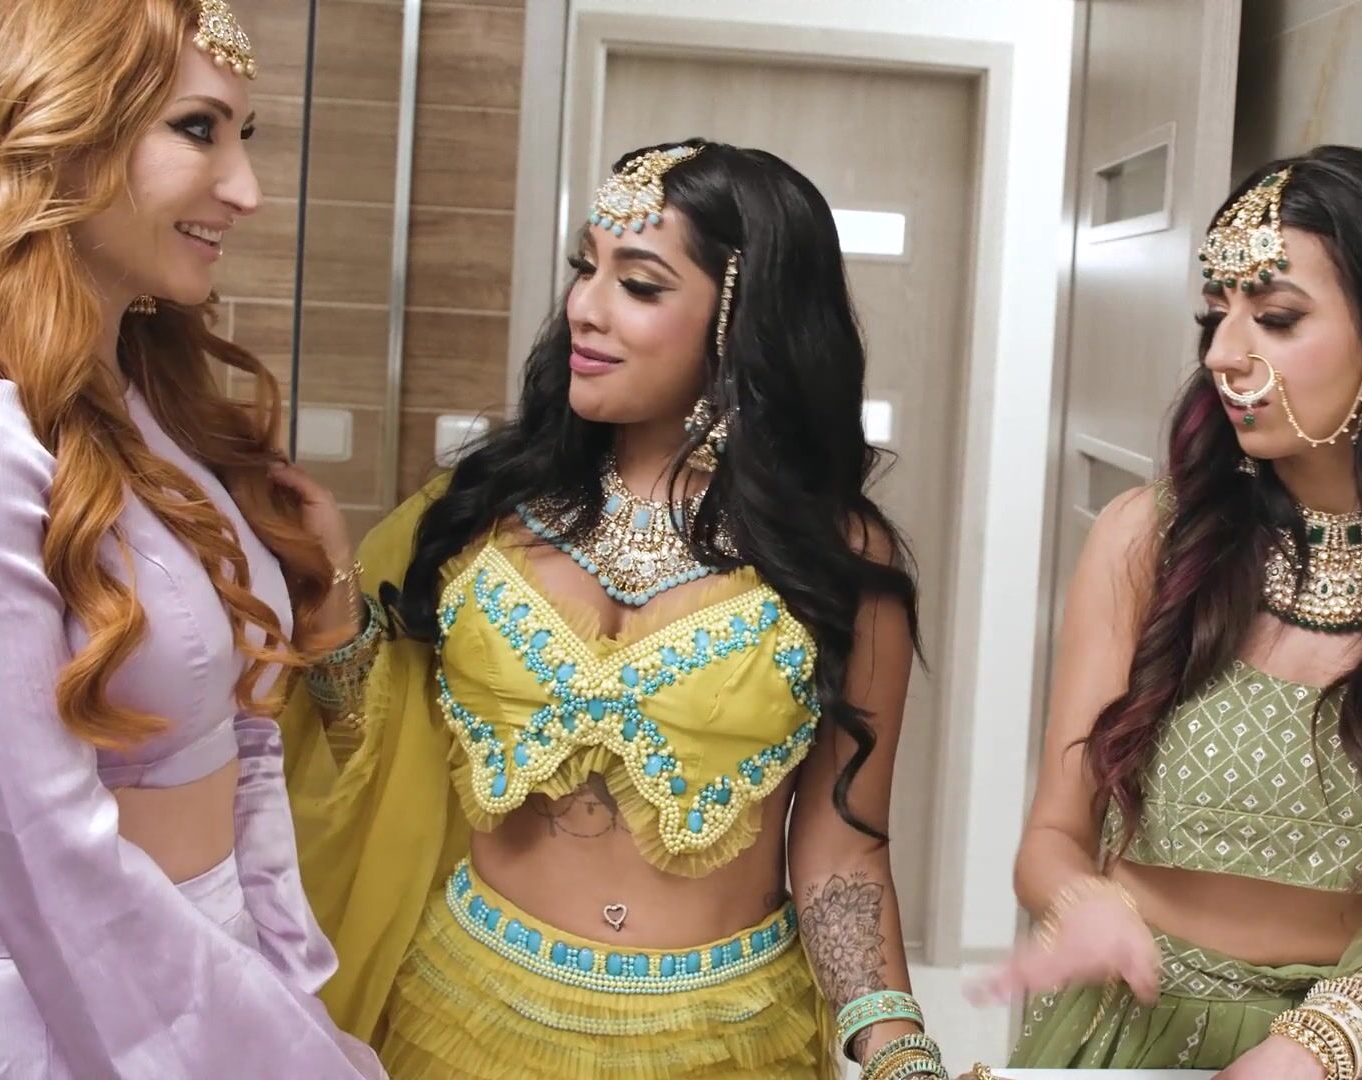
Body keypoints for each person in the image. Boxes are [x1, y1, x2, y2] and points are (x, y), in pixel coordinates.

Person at [279, 139, 949, 1079]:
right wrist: (324, 598)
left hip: (728, 1042)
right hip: (463, 1017)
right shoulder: (486, 509)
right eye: (584, 268)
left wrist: (896, 1050)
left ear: (741, 321)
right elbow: (376, 753)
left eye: (637, 284)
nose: (584, 308)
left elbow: (843, 855)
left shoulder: (835, 559)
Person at [976, 146, 1362, 1078]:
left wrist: (1333, 1037)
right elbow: (1053, 838)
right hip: (1136, 1035)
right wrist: (1080, 903)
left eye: (1275, 318)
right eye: (1215, 316)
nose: (1223, 354)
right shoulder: (1150, 541)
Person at [0, 0, 380, 1074]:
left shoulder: (150, 406)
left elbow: (244, 739)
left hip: (220, 973)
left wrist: (284, 975)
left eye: (243, 137)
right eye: (198, 129)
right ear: (67, 126)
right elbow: (40, 855)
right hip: (86, 1013)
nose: (247, 191)